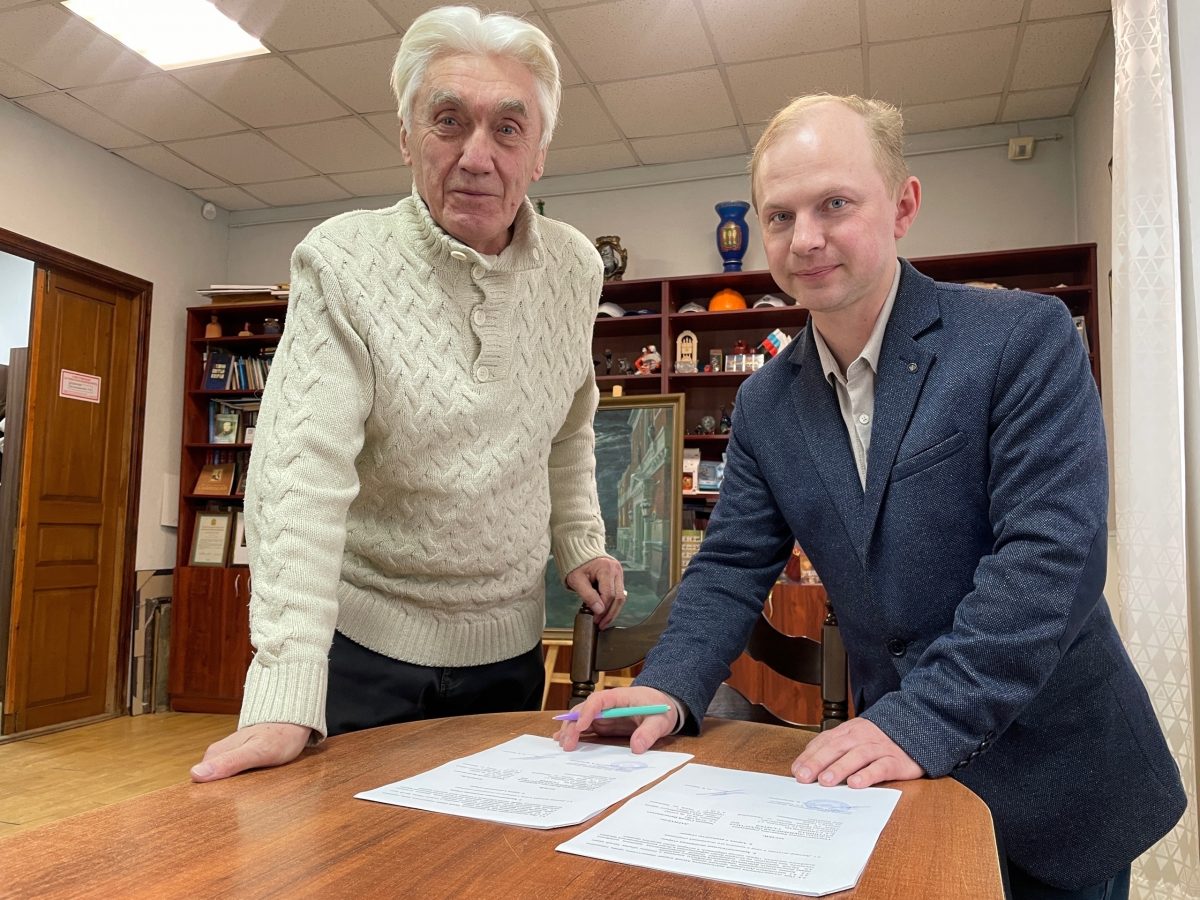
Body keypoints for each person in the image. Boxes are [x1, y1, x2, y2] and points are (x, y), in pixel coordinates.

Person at [558, 94, 1186, 900]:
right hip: (899, 789)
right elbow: (730, 566)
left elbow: (1051, 560)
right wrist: (668, 685)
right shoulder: (765, 404)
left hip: (1057, 778)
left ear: (903, 206)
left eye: (835, 204)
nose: (805, 238)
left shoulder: (1022, 337)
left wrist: (922, 720)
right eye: (780, 216)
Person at [193, 6, 624, 783]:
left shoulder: (575, 269)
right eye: (448, 121)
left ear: (539, 154)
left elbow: (568, 423)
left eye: (507, 129)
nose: (476, 156)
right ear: (406, 137)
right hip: (362, 650)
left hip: (509, 649)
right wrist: (285, 685)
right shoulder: (339, 262)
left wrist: (581, 539)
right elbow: (299, 475)